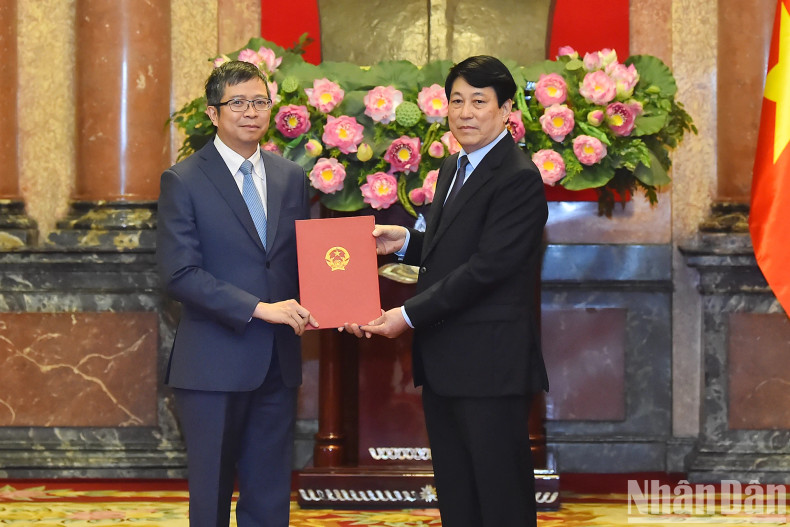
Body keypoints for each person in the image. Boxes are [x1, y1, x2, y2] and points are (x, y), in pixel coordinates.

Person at [345, 55, 549, 526]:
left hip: (490, 365)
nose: (465, 112)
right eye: (457, 101)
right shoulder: (455, 165)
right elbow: (454, 248)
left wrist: (407, 316)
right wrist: (405, 243)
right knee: (459, 495)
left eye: (479, 101)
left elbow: (488, 268)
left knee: (500, 497)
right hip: (447, 362)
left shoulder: (518, 177)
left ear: (506, 111)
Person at [157, 60, 317, 527]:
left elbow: (298, 261)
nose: (251, 112)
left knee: (269, 495)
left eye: (260, 101)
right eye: (238, 103)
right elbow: (179, 273)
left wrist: (338, 298)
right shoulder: (183, 179)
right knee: (211, 496)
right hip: (213, 363)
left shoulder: (290, 177)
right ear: (212, 113)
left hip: (278, 362)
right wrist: (259, 309)